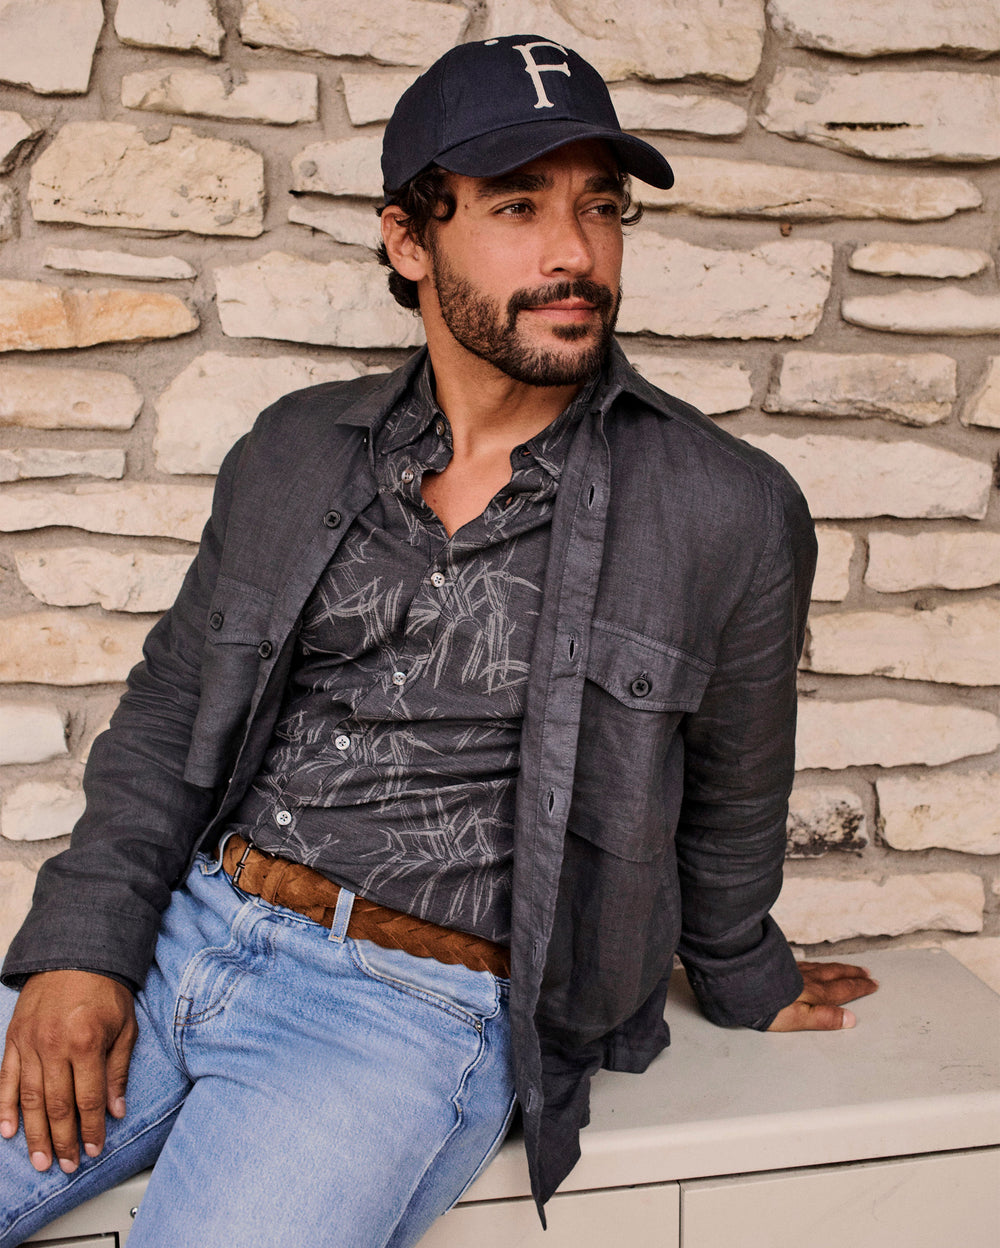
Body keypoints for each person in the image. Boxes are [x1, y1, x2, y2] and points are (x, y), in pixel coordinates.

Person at [0, 34, 878, 1247]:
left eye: (600, 207)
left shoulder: (725, 508)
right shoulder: (294, 450)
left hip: (410, 1011)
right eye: (518, 207)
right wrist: (79, 954)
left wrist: (743, 972)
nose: (575, 253)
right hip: (192, 926)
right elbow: (163, 716)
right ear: (409, 243)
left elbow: (735, 785)